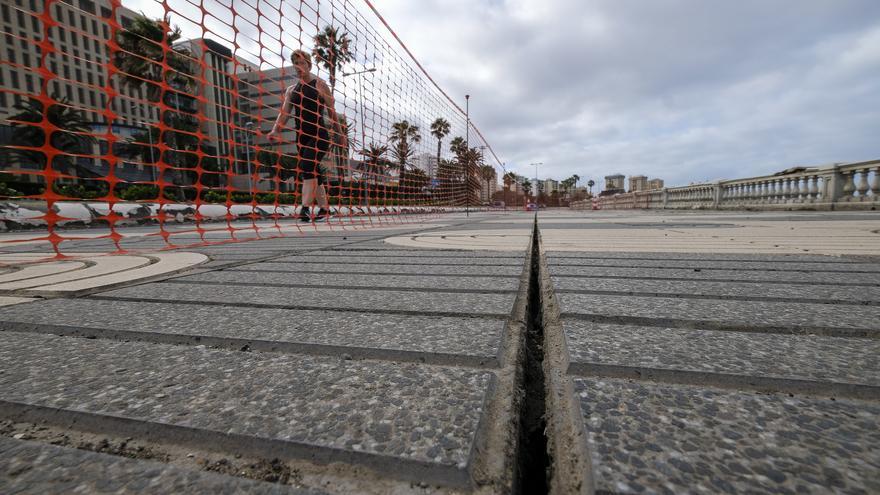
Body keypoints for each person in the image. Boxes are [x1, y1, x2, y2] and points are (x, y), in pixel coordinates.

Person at [267, 49, 347, 222]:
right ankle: (324, 209)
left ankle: (304, 209)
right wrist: (275, 130)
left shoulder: (320, 84)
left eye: (302, 62)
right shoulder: (291, 90)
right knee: (313, 171)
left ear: (309, 65)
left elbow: (331, 111)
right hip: (301, 137)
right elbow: (284, 113)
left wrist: (340, 133)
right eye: (295, 63)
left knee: (307, 165)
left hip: (320, 134)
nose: (298, 66)